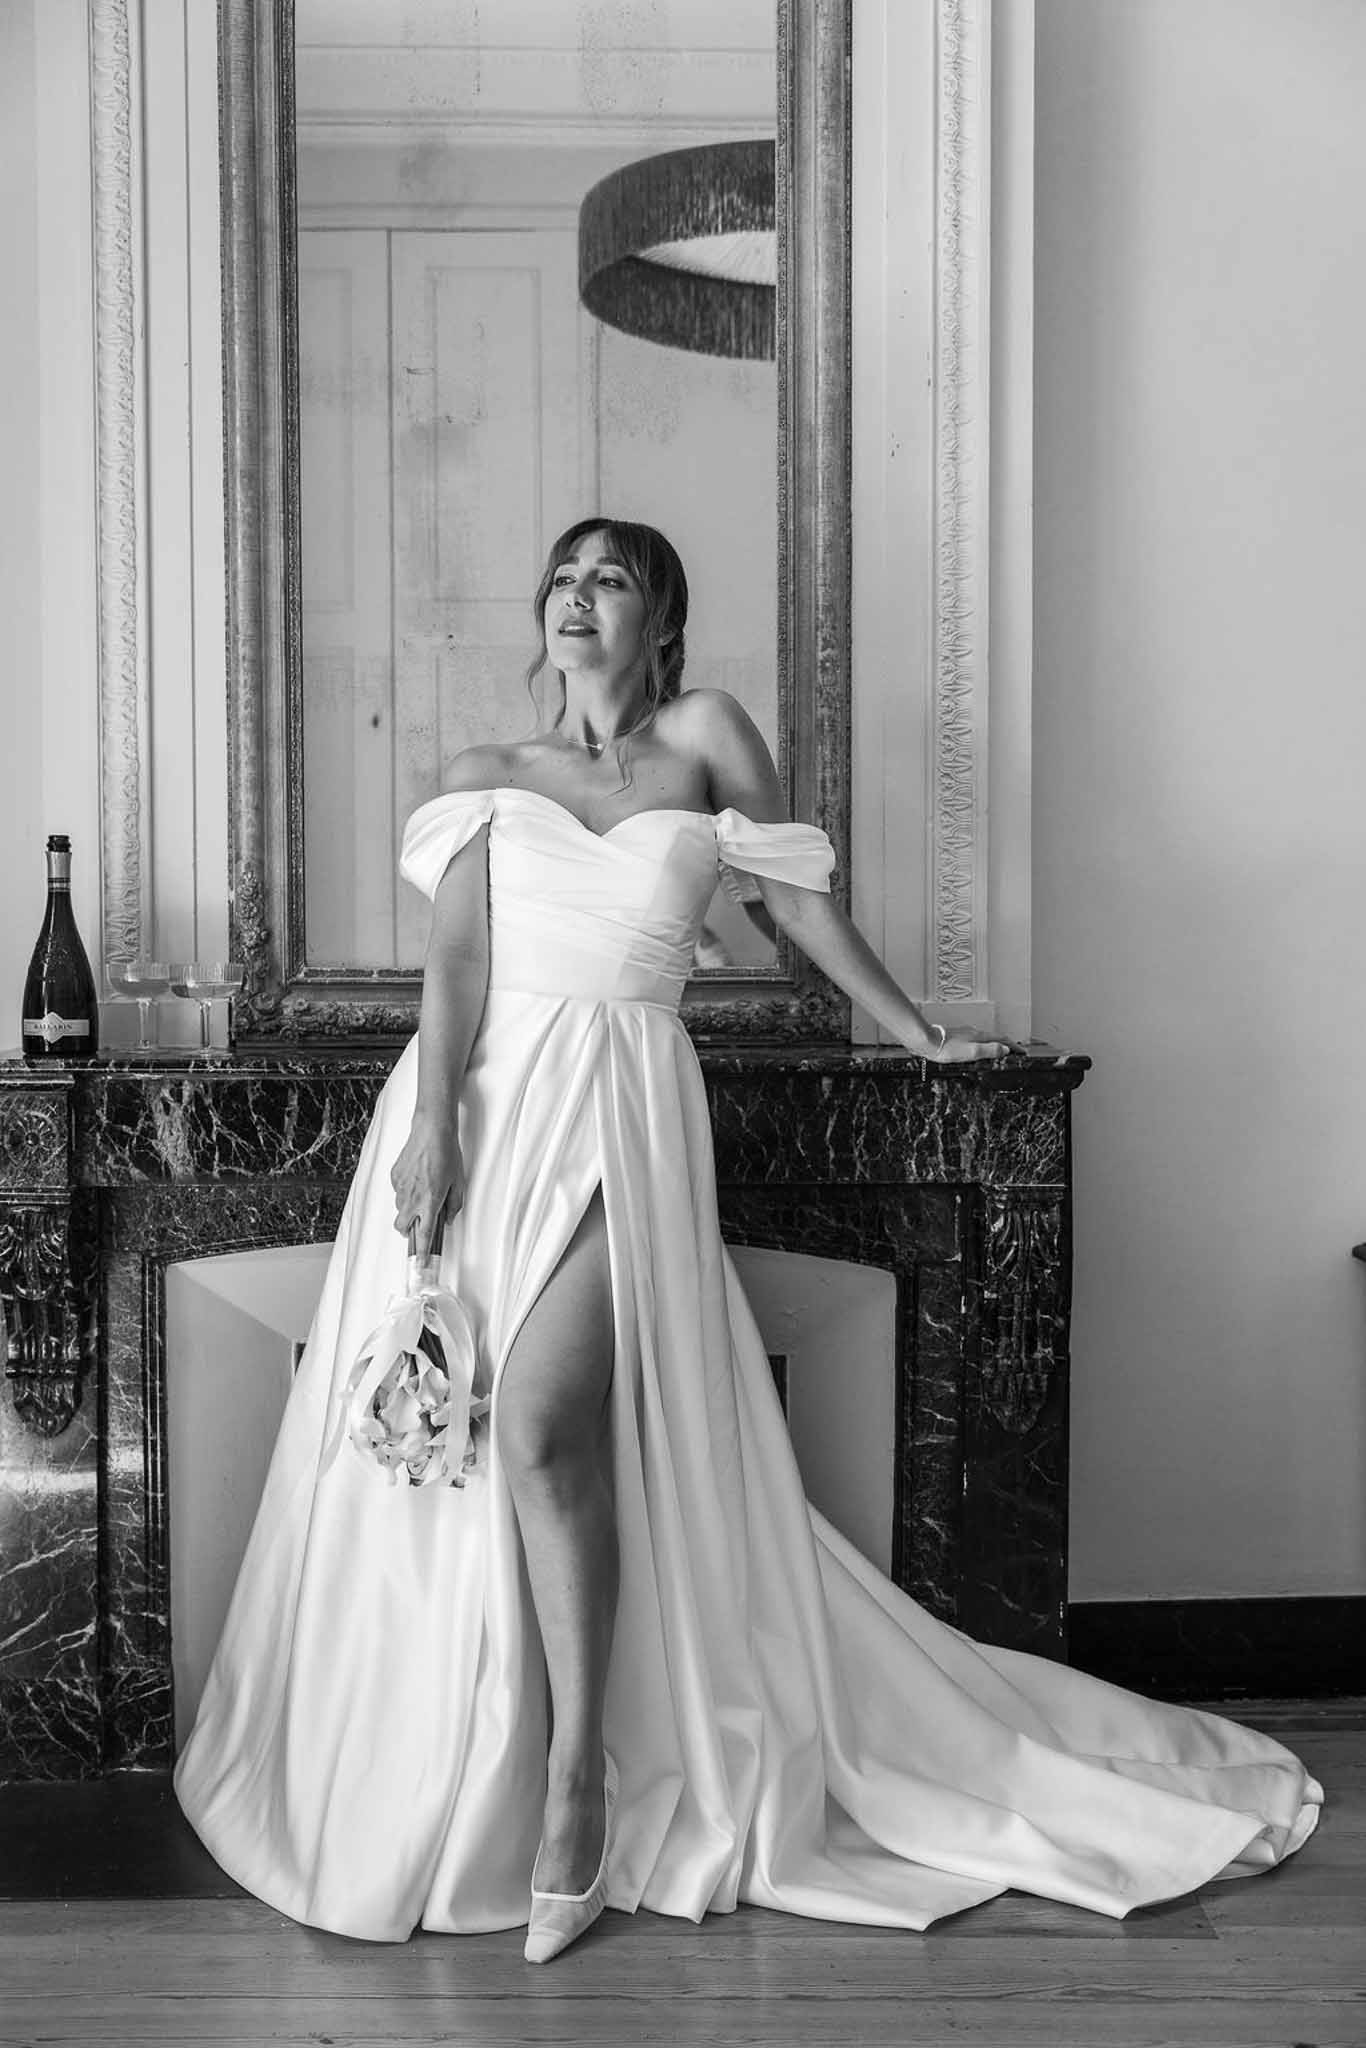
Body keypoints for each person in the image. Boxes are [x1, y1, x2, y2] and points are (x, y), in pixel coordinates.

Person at [175, 517, 1321, 1963]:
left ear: (660, 616)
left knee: (534, 1423)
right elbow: (456, 967)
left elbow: (793, 908)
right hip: (481, 1103)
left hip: (627, 1103)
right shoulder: (481, 779)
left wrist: (919, 1035)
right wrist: (432, 1131)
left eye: (610, 578)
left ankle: (578, 1789)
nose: (577, 598)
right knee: (473, 1438)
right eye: (562, 577)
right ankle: (494, 1764)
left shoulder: (705, 736)